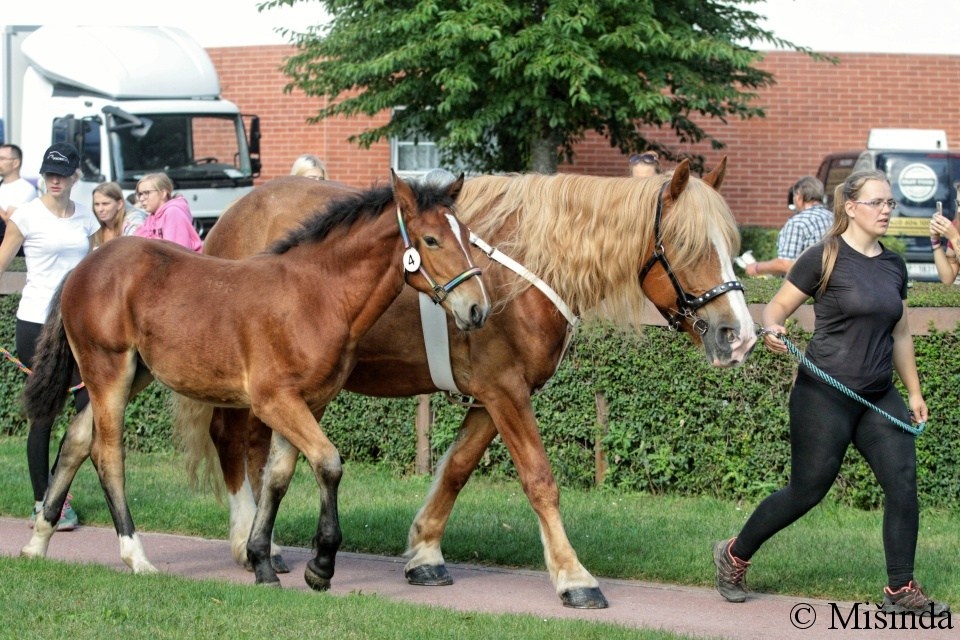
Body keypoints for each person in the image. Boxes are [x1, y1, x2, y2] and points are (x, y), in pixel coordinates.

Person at [712, 169, 949, 616]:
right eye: (877, 202)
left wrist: (913, 392)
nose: (886, 210)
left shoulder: (893, 265)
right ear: (852, 207)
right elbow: (778, 307)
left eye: (889, 203)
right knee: (806, 490)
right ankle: (734, 554)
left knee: (902, 484)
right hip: (825, 392)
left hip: (878, 395)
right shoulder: (824, 256)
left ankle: (901, 589)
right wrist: (775, 328)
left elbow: (900, 333)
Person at [0, 142, 99, 531]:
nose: (55, 180)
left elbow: (96, 271)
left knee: (87, 410)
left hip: (77, 326)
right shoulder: (25, 216)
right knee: (43, 417)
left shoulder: (87, 221)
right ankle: (43, 501)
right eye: (49, 173)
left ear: (75, 176)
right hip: (36, 324)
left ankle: (59, 492)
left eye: (62, 173)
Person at [743, 176, 833, 277]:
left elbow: (786, 264)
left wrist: (756, 267)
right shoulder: (834, 218)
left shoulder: (797, 222)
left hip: (806, 288)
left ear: (799, 196)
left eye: (794, 196)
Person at [132, 172, 202, 252]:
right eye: (140, 194)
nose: (141, 199)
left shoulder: (173, 212)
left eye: (146, 193)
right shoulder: (151, 217)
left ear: (163, 194)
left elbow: (175, 251)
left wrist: (142, 234)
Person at [0, 144, 39, 246]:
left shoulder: (26, 189)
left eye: (2, 159)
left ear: (15, 163)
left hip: (12, 249)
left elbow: (9, 219)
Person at [92, 181, 148, 246]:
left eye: (105, 204)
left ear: (119, 204)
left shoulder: (133, 222)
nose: (100, 209)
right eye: (96, 204)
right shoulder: (92, 226)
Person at [929, 188, 960, 284]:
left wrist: (954, 238)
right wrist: (935, 241)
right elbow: (948, 278)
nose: (959, 210)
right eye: (958, 204)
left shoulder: (955, 233)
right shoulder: (958, 225)